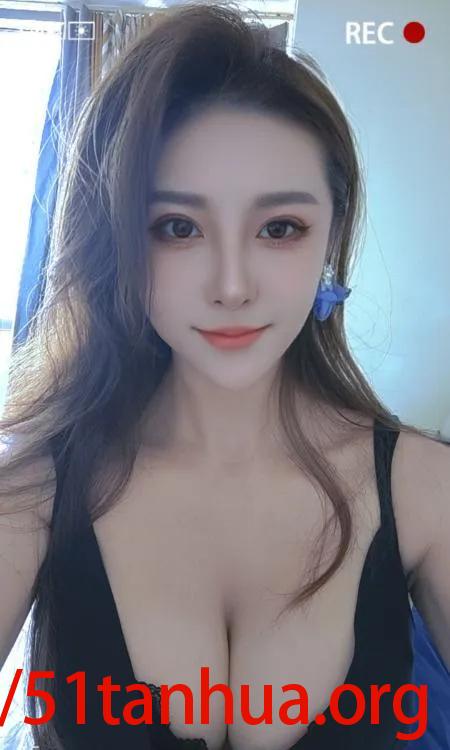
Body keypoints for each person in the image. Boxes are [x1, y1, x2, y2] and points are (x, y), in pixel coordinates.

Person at [0, 3, 449, 750]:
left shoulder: (426, 489)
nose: (232, 286)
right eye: (177, 228)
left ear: (332, 235)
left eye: (280, 228)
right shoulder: (31, 494)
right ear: (117, 240)